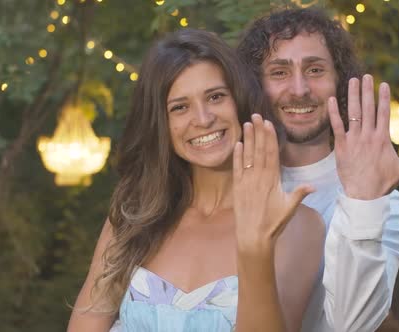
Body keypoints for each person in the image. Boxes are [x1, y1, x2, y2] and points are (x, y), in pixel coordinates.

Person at [67, 29, 325, 332]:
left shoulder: (298, 225)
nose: (203, 119)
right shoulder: (132, 216)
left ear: (240, 101)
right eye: (180, 107)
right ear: (160, 124)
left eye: (215, 97)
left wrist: (255, 249)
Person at [237, 7, 399, 332]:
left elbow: (351, 326)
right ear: (255, 84)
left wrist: (362, 201)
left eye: (315, 70)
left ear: (339, 82)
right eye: (279, 72)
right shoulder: (227, 182)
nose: (299, 89)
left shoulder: (384, 204)